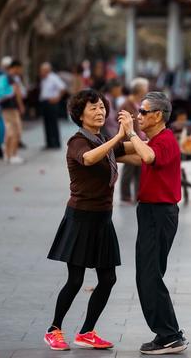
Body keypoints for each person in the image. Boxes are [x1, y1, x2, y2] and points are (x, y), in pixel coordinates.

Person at [44, 89, 134, 351]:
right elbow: (88, 158)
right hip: (80, 219)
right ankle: (54, 329)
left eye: (102, 107)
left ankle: (86, 332)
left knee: (108, 279)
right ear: (79, 115)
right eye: (93, 108)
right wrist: (119, 136)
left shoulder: (102, 139)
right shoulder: (78, 142)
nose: (100, 111)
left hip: (103, 220)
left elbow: (135, 152)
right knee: (75, 280)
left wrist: (156, 143)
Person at [118, 92, 189, 354]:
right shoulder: (155, 140)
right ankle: (167, 334)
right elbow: (136, 155)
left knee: (150, 276)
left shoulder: (166, 140)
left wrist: (131, 133)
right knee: (148, 275)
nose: (138, 116)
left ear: (158, 115)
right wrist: (107, 148)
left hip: (160, 214)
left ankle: (170, 335)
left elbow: (146, 157)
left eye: (143, 112)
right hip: (150, 213)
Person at [118, 77, 149, 203]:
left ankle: (138, 193)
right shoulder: (127, 104)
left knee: (140, 167)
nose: (147, 90)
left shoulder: (139, 102)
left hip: (139, 139)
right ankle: (125, 195)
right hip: (129, 140)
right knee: (129, 168)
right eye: (145, 88)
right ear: (139, 90)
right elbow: (122, 123)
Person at [0, 60, 26, 164]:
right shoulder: (12, 77)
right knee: (16, 130)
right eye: (20, 68)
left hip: (4, 107)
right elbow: (16, 92)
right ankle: (13, 155)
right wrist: (21, 105)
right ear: (16, 67)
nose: (21, 70)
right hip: (12, 107)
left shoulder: (4, 76)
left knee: (9, 131)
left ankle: (7, 154)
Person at [39, 62, 66, 149]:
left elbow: (63, 88)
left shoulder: (53, 77)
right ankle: (49, 143)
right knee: (46, 123)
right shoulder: (44, 79)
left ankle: (56, 143)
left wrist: (57, 98)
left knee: (53, 123)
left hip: (52, 103)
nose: (41, 72)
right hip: (45, 102)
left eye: (43, 70)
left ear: (48, 70)